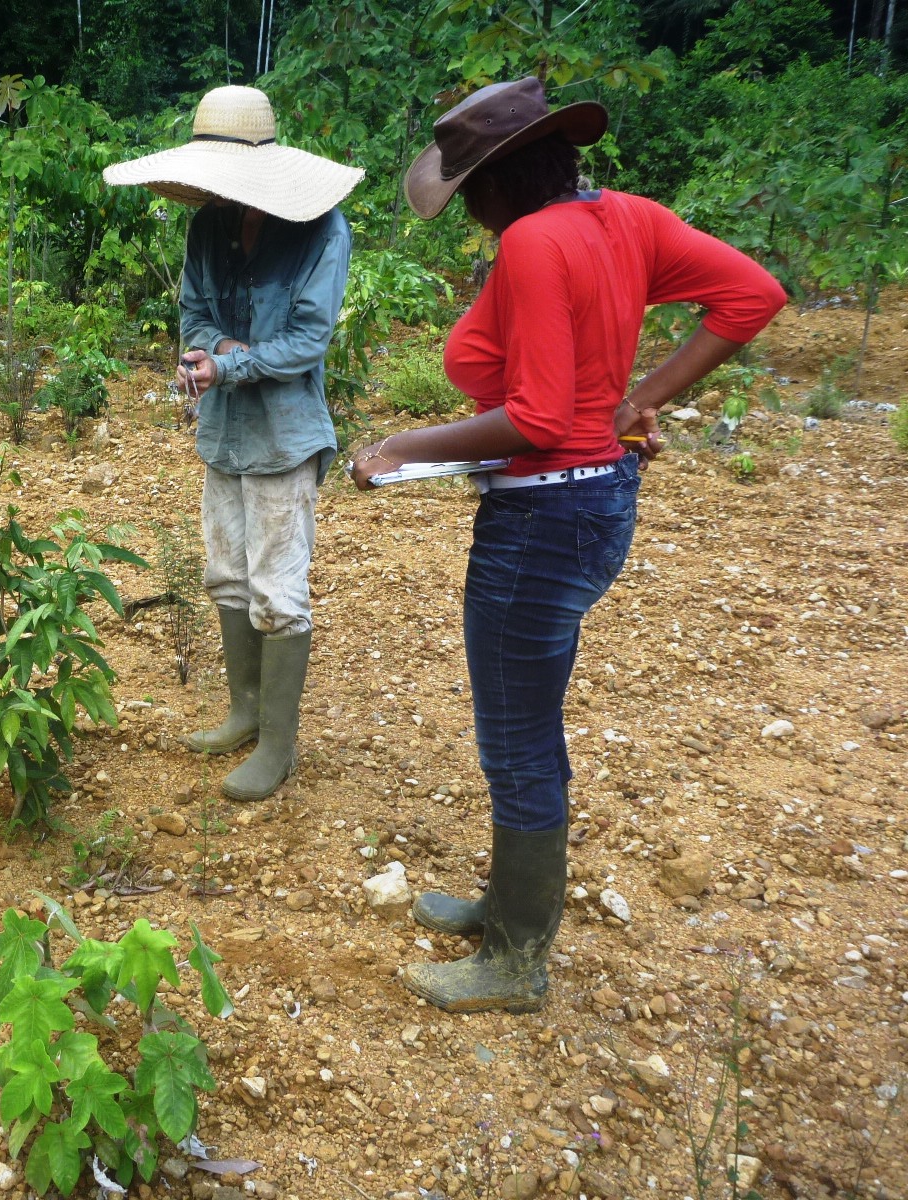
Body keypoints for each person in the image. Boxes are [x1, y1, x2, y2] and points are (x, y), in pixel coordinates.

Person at [350, 77, 784, 1013]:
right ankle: (507, 903)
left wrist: (399, 448)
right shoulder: (626, 219)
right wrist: (643, 399)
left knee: (517, 742)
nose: (466, 209)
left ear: (501, 179)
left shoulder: (535, 242)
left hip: (542, 518)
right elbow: (751, 295)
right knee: (526, 726)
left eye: (468, 188)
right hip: (594, 502)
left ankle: (516, 959)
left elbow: (539, 417)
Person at [104, 85, 363, 801]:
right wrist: (212, 349)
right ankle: (244, 711)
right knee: (226, 574)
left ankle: (278, 745)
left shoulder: (321, 230)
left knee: (279, 589)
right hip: (225, 432)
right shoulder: (209, 228)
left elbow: (308, 339)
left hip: (284, 434)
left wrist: (230, 363)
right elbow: (194, 311)